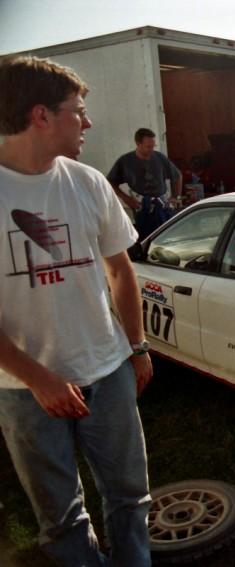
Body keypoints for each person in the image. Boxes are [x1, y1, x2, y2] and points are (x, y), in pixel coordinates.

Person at [0, 55, 152, 566]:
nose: (87, 122)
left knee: (130, 498)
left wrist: (137, 347)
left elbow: (120, 271)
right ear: (41, 115)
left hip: (107, 371)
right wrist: (37, 377)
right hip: (21, 391)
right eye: (78, 111)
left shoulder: (88, 183)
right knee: (61, 519)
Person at [107, 127, 182, 240]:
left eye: (153, 146)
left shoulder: (159, 158)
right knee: (146, 238)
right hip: (141, 208)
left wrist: (175, 196)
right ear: (138, 144)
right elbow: (110, 182)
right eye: (148, 147)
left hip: (162, 206)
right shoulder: (125, 161)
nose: (151, 150)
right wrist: (126, 198)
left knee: (167, 236)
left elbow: (177, 176)